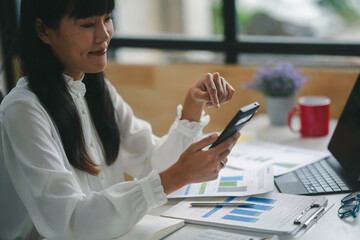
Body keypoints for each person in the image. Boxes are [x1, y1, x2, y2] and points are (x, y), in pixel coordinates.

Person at [0, 0, 239, 239]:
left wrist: (192, 106)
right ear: (43, 31)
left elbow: (149, 163)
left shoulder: (94, 88)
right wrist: (176, 176)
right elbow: (70, 223)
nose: (104, 35)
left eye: (107, 18)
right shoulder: (23, 111)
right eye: (87, 24)